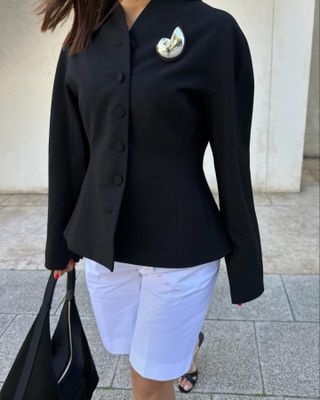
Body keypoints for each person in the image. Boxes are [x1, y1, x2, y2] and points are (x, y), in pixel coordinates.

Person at [37, 0, 264, 398]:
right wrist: (60, 244)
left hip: (181, 246)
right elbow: (69, 149)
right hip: (104, 248)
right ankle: (185, 345)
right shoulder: (83, 35)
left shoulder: (214, 31)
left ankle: (180, 347)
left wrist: (245, 264)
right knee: (131, 355)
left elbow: (232, 155)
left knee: (149, 378)